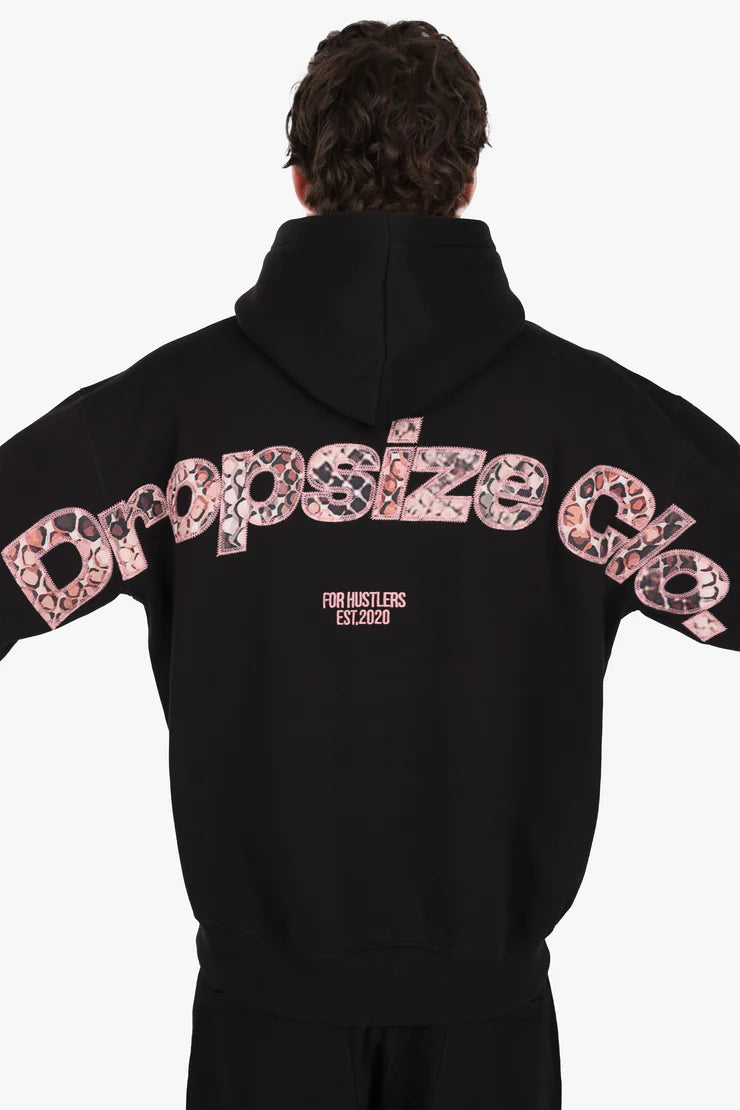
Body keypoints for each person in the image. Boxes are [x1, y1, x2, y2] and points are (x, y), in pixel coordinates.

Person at [1, 18, 737, 1110]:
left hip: (260, 1026)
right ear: (468, 180)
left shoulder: (172, 416)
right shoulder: (596, 426)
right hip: (489, 1030)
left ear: (300, 179)